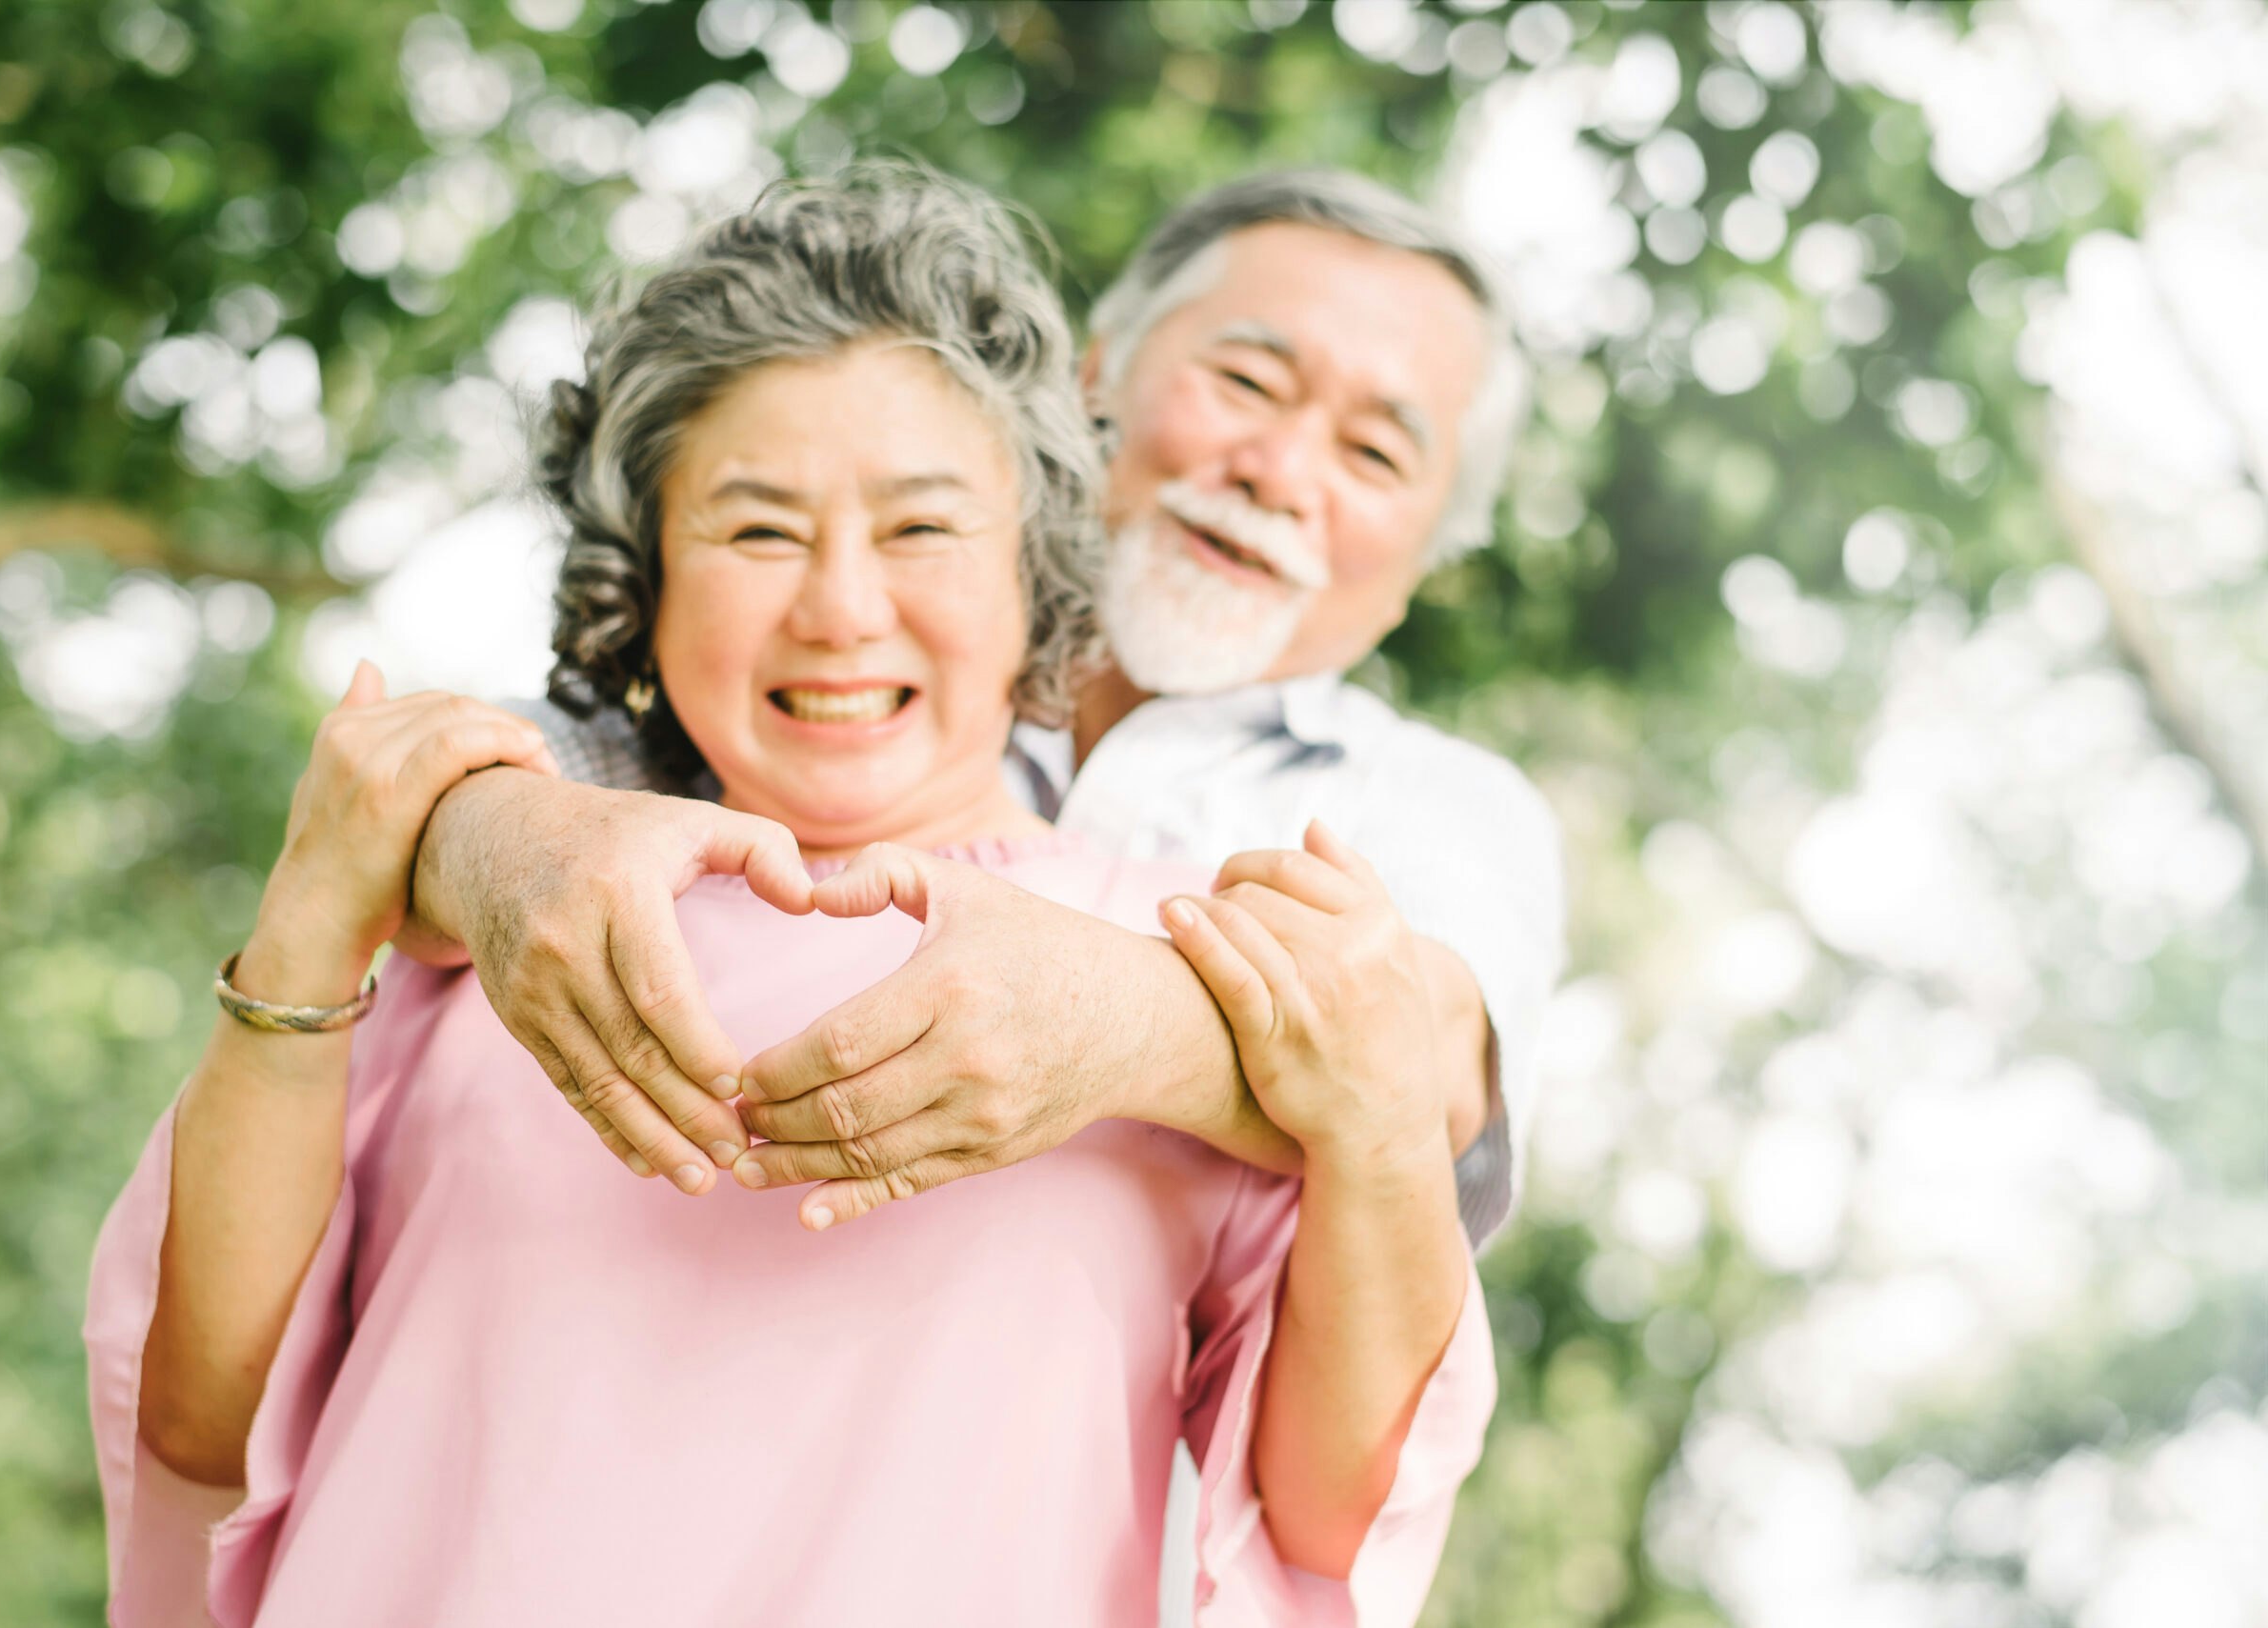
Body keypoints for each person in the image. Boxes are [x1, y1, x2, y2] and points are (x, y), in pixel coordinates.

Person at [87, 171, 1493, 1628]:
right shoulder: (498, 916)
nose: (838, 609)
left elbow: (1331, 1519)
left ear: (1037, 572)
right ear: (647, 578)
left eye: (923, 531)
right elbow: (202, 1429)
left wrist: (1374, 1116)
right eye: (757, 532)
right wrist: (320, 908)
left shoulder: (1189, 966)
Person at [402, 170, 1565, 1256]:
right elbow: (495, 777)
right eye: (1247, 383)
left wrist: (1116, 1021)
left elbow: (1424, 1063)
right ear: (1096, 373)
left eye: (1371, 452)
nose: (1280, 469)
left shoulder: (1441, 806)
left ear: (1432, 549)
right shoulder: (865, 658)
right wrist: (478, 828)